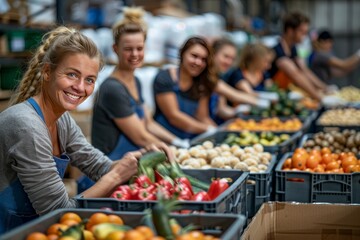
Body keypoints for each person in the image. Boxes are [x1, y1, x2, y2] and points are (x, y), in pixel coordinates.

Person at [0, 26, 171, 233]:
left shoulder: (62, 120)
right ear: (47, 72)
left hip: (37, 231)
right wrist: (116, 177)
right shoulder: (25, 126)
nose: (80, 88)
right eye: (72, 75)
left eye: (89, 80)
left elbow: (99, 166)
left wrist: (142, 159)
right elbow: (58, 210)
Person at [92, 7, 189, 162]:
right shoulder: (113, 89)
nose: (135, 54)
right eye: (128, 49)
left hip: (130, 163)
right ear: (115, 49)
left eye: (139, 48)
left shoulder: (135, 81)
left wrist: (178, 142)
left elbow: (148, 123)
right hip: (110, 169)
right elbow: (141, 136)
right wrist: (171, 152)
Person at [153, 37, 218, 139]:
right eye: (194, 56)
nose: (198, 62)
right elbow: (174, 117)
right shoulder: (165, 78)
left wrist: (218, 131)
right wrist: (207, 129)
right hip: (164, 140)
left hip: (188, 139)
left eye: (203, 59)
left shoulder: (201, 83)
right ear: (182, 53)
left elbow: (202, 117)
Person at [269, 11, 328, 101]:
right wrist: (319, 97)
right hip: (274, 96)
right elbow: (296, 75)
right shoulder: (278, 51)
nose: (304, 37)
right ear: (290, 31)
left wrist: (325, 88)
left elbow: (304, 71)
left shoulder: (293, 49)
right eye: (302, 32)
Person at [209, 38, 272, 124]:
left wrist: (236, 112)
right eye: (226, 56)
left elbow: (221, 109)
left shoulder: (220, 77)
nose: (229, 62)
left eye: (232, 59)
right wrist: (261, 102)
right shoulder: (209, 78)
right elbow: (234, 95)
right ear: (213, 54)